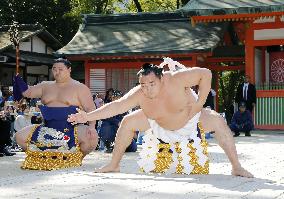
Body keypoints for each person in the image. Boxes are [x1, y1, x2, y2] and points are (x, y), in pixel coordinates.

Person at [68, 58, 253, 177]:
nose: (147, 88)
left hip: (189, 119)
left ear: (162, 78)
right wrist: (87, 115)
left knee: (219, 121)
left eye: (151, 84)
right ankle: (114, 164)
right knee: (127, 121)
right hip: (158, 124)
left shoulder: (176, 79)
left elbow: (206, 74)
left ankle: (236, 166)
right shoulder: (139, 93)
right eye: (143, 85)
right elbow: (116, 106)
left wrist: (198, 104)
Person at [13, 58, 98, 170]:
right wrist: (18, 80)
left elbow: (91, 109)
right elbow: (27, 92)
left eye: (60, 69)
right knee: (19, 137)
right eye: (54, 69)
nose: (57, 72)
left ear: (69, 70)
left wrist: (92, 127)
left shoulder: (80, 88)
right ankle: (42, 157)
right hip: (47, 128)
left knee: (92, 138)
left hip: (72, 128)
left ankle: (76, 157)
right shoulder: (45, 86)